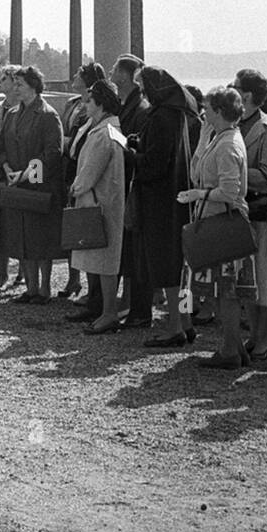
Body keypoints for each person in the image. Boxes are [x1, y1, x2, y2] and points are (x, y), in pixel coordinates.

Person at [180, 86, 255, 367]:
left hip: (224, 223)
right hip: (214, 221)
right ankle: (233, 347)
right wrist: (202, 137)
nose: (204, 112)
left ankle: (230, 350)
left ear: (220, 111)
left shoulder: (227, 145)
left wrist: (201, 195)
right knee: (222, 291)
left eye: (209, 108)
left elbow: (230, 191)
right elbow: (195, 172)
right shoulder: (218, 138)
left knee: (228, 291)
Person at [130, 66, 200, 347]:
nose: (142, 93)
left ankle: (174, 327)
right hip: (175, 198)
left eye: (144, 87)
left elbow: (153, 165)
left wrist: (130, 154)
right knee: (180, 268)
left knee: (166, 267)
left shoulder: (159, 117)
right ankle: (185, 321)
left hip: (159, 201)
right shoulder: (177, 115)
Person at [232, 69, 267, 360]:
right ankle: (254, 336)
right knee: (248, 280)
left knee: (265, 282)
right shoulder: (236, 123)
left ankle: (263, 339)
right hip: (243, 212)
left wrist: (229, 172)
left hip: (264, 213)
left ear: (248, 95)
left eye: (236, 87)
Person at [0, 66, 64, 304]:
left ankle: (44, 289)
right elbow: (0, 148)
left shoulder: (47, 115)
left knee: (41, 237)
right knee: (22, 236)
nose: (15, 88)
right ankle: (30, 287)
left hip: (39, 185)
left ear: (33, 87)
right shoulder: (12, 114)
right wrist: (7, 169)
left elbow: (53, 153)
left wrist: (26, 174)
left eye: (20, 85)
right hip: (17, 183)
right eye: (14, 84)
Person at [69, 80, 127, 334]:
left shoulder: (104, 133)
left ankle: (109, 312)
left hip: (99, 201)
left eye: (90, 101)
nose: (85, 103)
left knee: (105, 261)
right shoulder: (105, 129)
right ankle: (105, 310)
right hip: (102, 200)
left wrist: (76, 187)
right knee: (104, 260)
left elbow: (90, 171)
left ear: (101, 104)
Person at [107, 54, 151, 330]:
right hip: (123, 182)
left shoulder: (141, 108)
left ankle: (138, 307)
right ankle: (128, 303)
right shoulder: (129, 104)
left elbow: (140, 146)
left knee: (135, 249)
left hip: (131, 183)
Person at [60, 61, 106, 302]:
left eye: (79, 74)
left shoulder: (97, 104)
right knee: (73, 224)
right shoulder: (71, 103)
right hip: (70, 165)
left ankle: (92, 287)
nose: (74, 76)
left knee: (87, 227)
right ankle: (73, 277)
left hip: (84, 165)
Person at [0, 65, 20, 292]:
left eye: (4, 78)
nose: (0, 81)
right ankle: (1, 268)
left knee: (18, 222)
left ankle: (21, 271)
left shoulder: (23, 109)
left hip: (19, 172)